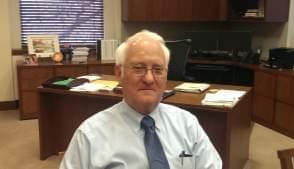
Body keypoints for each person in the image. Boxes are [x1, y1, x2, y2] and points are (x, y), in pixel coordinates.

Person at [59, 30, 222, 169]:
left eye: (158, 69)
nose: (149, 79)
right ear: (118, 73)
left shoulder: (187, 124)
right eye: (138, 68)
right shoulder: (89, 135)